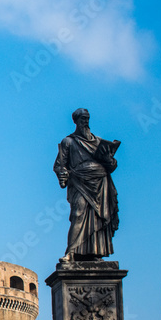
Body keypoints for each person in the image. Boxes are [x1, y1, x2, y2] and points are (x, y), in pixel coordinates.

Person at [53, 108, 120, 262]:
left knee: (97, 217)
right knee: (78, 214)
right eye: (82, 119)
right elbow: (59, 165)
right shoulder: (68, 142)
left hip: (100, 182)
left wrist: (109, 160)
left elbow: (111, 165)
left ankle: (96, 252)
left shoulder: (98, 142)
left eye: (87, 118)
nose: (85, 121)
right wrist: (63, 174)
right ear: (75, 121)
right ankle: (71, 252)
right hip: (80, 182)